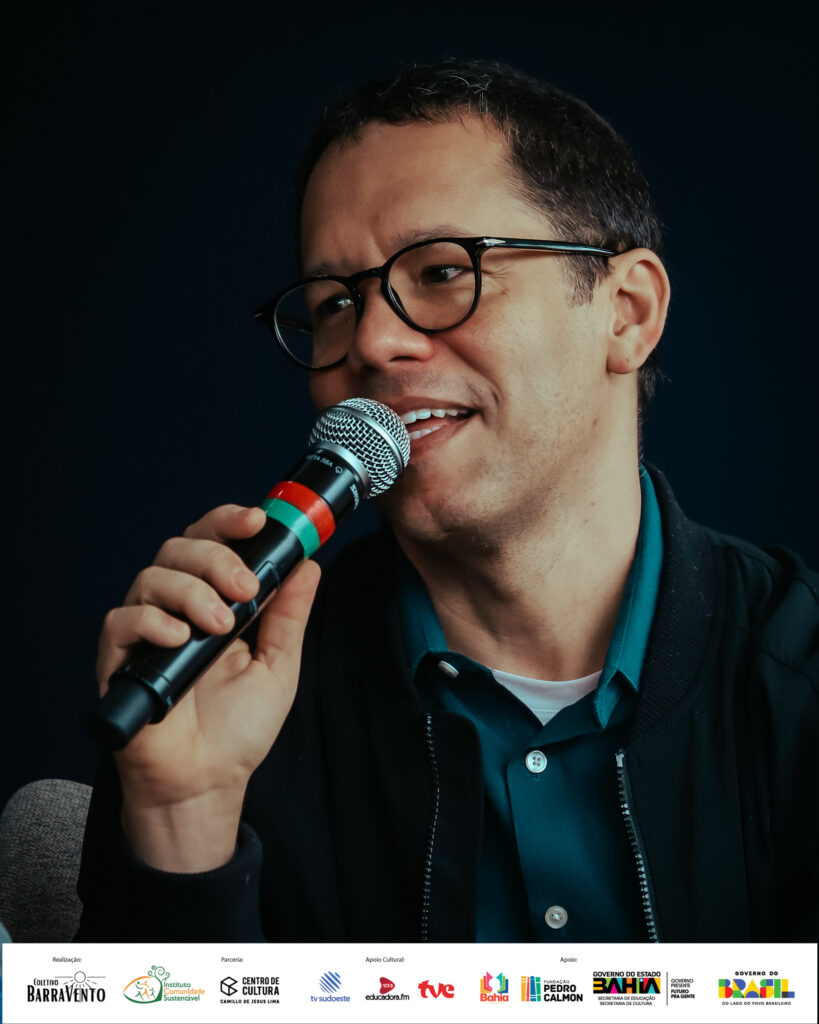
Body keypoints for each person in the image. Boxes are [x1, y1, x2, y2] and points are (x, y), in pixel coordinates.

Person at [77, 59, 817, 943]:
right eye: (334, 302)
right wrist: (182, 823)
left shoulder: (798, 680)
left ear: (625, 312)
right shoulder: (222, 700)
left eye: (438, 272)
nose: (372, 343)